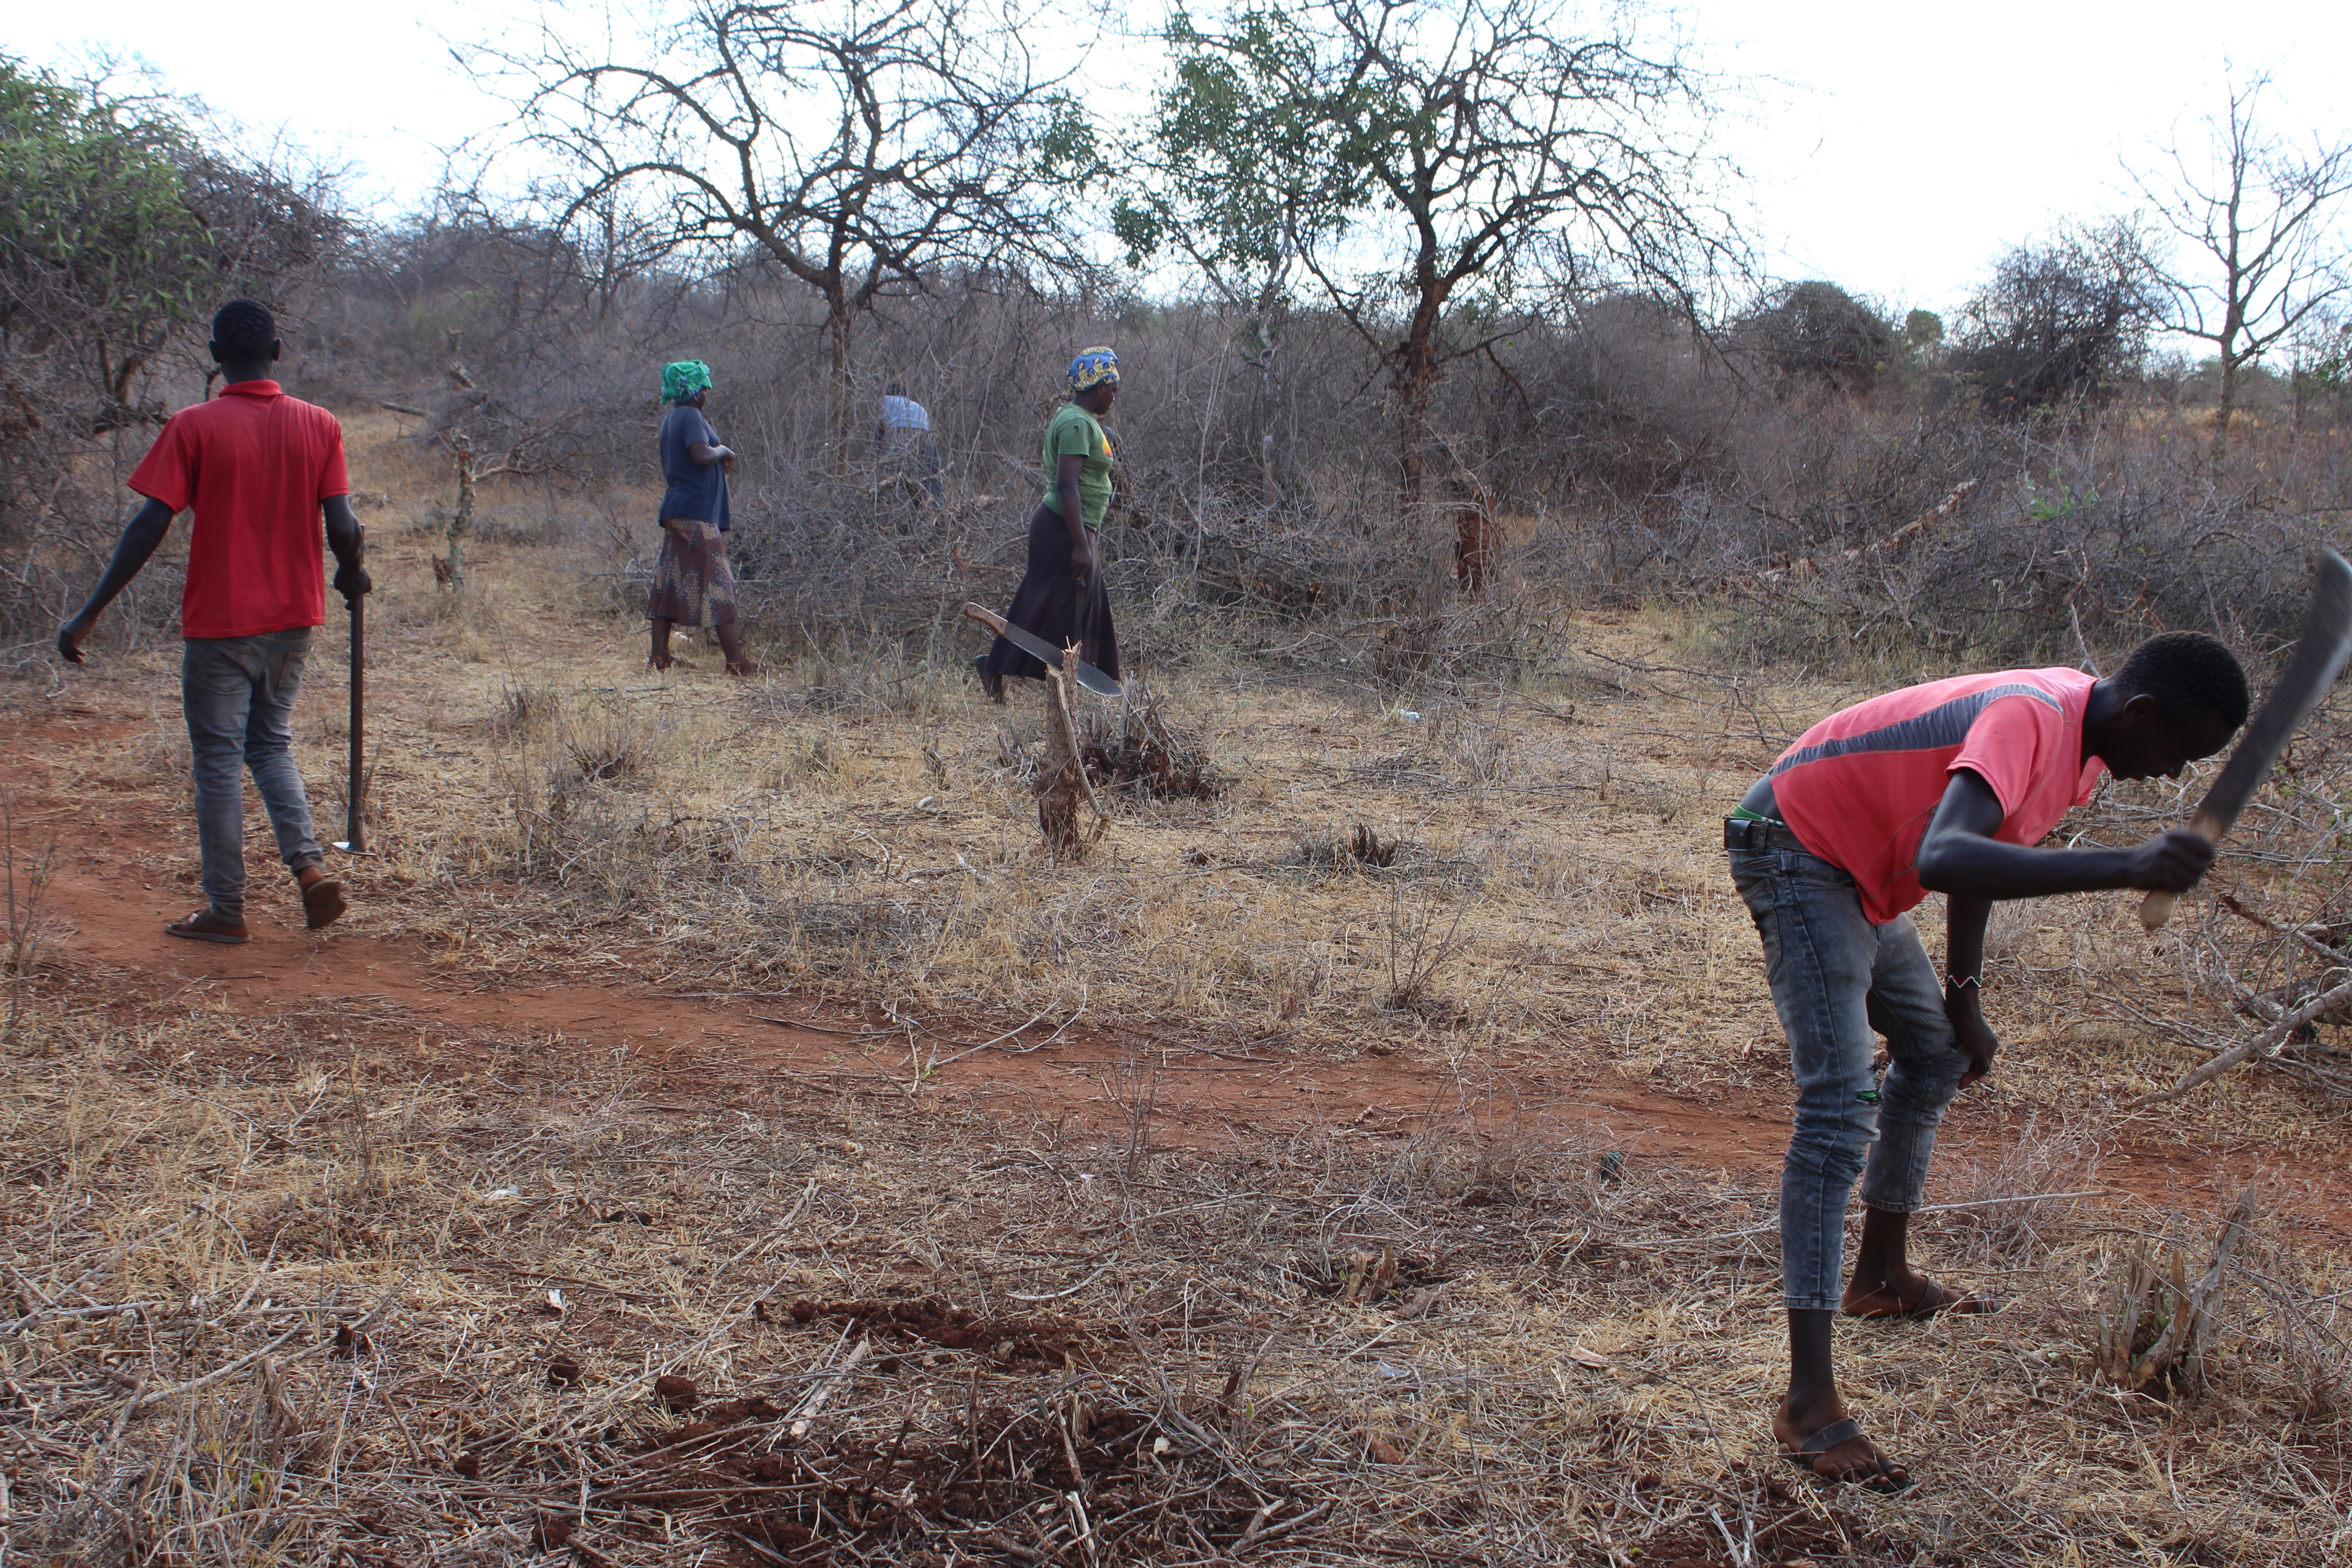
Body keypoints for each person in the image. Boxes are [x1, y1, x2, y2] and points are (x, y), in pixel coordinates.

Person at [1725, 631, 2249, 1492]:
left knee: (1933, 1053)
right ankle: (1807, 1402)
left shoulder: (2082, 749)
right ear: (2140, 712)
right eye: (2171, 753)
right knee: (1834, 1109)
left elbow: (1978, 855)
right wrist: (2125, 865)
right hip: (1795, 845)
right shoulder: (2029, 716)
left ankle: (1882, 1278)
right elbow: (1943, 853)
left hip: (1852, 868)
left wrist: (1961, 995)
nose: (2168, 775)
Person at [56, 299, 370, 944]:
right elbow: (341, 524)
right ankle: (310, 870)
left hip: (222, 624)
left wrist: (89, 614)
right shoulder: (320, 425)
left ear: (214, 356)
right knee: (271, 745)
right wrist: (349, 569)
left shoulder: (193, 425)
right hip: (292, 622)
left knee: (221, 762)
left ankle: (227, 910)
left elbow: (150, 523)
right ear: (277, 352)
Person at [975, 347, 1122, 702]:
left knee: (1068, 607)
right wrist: (1081, 546)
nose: (1115, 395)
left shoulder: (1085, 421)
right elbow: (1066, 486)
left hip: (1074, 528)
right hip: (1062, 529)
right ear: (1098, 386)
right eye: (1112, 387)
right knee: (1052, 605)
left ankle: (1075, 684)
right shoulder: (1075, 422)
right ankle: (1003, 667)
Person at [648, 360, 761, 676]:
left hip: (678, 510)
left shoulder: (674, 418)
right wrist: (723, 450)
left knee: (668, 582)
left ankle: (659, 657)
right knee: (720, 584)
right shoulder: (693, 416)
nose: (707, 394)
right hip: (696, 514)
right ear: (695, 391)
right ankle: (737, 663)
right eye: (704, 388)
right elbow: (700, 455)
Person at [877, 381, 944, 505]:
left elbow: (879, 434)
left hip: (899, 435)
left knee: (891, 478)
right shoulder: (919, 407)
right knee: (930, 477)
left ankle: (888, 507)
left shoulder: (885, 401)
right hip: (924, 438)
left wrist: (879, 456)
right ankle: (937, 508)